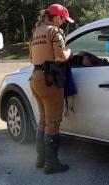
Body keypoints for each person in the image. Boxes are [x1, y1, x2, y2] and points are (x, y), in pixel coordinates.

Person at [29, 4, 74, 174]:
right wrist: (70, 51)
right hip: (50, 81)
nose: (63, 23)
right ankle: (52, 163)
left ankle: (41, 160)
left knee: (43, 120)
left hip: (35, 78)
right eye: (63, 19)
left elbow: (31, 58)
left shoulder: (36, 31)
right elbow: (61, 56)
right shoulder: (55, 32)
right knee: (53, 122)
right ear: (56, 18)